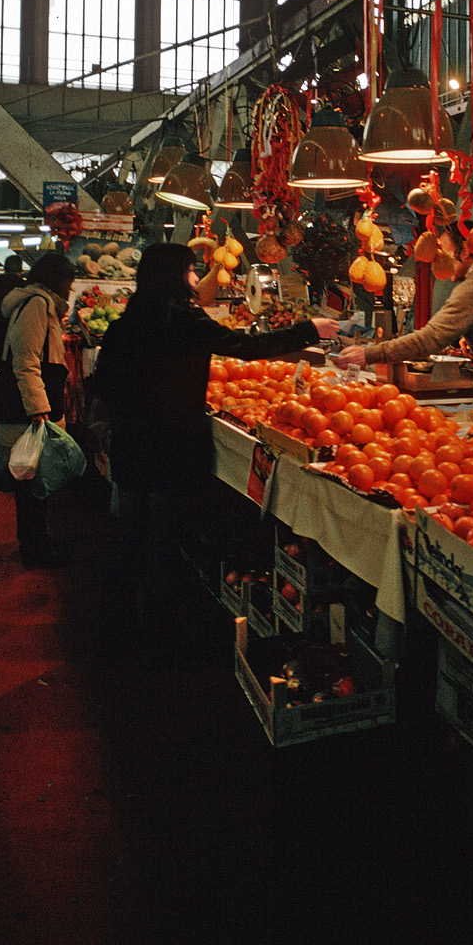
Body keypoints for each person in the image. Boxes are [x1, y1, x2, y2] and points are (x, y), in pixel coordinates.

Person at [92, 243, 340, 663]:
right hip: (173, 449)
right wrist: (308, 330)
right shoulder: (185, 322)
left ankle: (114, 632)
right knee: (163, 544)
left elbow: (105, 387)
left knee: (129, 538)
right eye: (190, 271)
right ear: (175, 276)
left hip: (132, 446)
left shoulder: (123, 326)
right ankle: (158, 642)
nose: (195, 279)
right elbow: (247, 346)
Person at [336, 252, 473, 395]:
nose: (438, 262)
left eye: (443, 254)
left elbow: (429, 340)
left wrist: (369, 354)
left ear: (464, 251)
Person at [0, 251, 78, 569]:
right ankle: (34, 550)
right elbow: (25, 360)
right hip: (29, 408)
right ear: (56, 280)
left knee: (32, 480)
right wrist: (38, 409)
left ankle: (37, 544)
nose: (71, 288)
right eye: (68, 281)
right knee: (30, 482)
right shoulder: (36, 305)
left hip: (30, 404)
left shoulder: (39, 303)